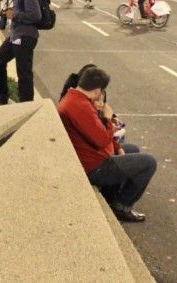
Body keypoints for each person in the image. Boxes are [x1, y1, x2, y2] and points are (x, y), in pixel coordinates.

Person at [57, 66, 157, 223]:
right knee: (149, 162)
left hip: (92, 156)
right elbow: (102, 140)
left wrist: (117, 147)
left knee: (132, 149)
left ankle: (113, 196)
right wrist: (108, 118)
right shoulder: (80, 106)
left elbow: (98, 135)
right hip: (94, 167)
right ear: (97, 91)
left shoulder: (74, 98)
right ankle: (122, 206)